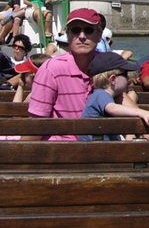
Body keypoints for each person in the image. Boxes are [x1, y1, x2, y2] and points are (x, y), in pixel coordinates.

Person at [26, 8, 105, 140]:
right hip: (60, 150)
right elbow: (37, 123)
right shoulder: (51, 69)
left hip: (101, 148)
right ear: (68, 36)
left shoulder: (107, 65)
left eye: (89, 30)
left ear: (99, 36)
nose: (82, 36)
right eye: (75, 30)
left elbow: (125, 100)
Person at [79, 51, 149, 141]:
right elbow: (112, 108)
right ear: (113, 79)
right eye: (125, 75)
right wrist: (142, 113)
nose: (128, 79)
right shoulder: (100, 94)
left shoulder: (105, 95)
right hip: (95, 149)